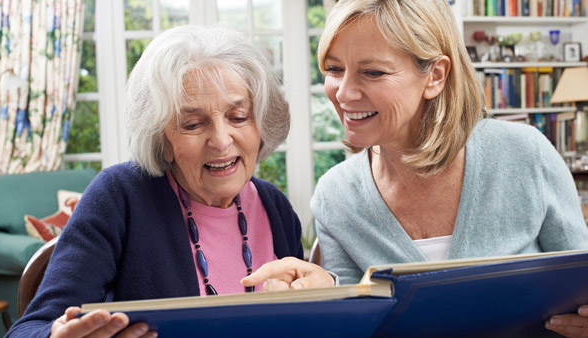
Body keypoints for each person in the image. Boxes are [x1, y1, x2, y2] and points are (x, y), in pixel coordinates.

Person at [244, 0, 588, 337]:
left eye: (372, 72)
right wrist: (324, 290)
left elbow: (580, 285)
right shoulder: (336, 195)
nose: (343, 93)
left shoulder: (524, 155)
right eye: (334, 70)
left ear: (435, 76)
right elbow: (353, 313)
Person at [6, 24, 308, 338]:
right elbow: (29, 329)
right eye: (192, 123)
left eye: (238, 117)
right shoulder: (120, 197)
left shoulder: (275, 207)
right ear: (161, 138)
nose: (220, 141)